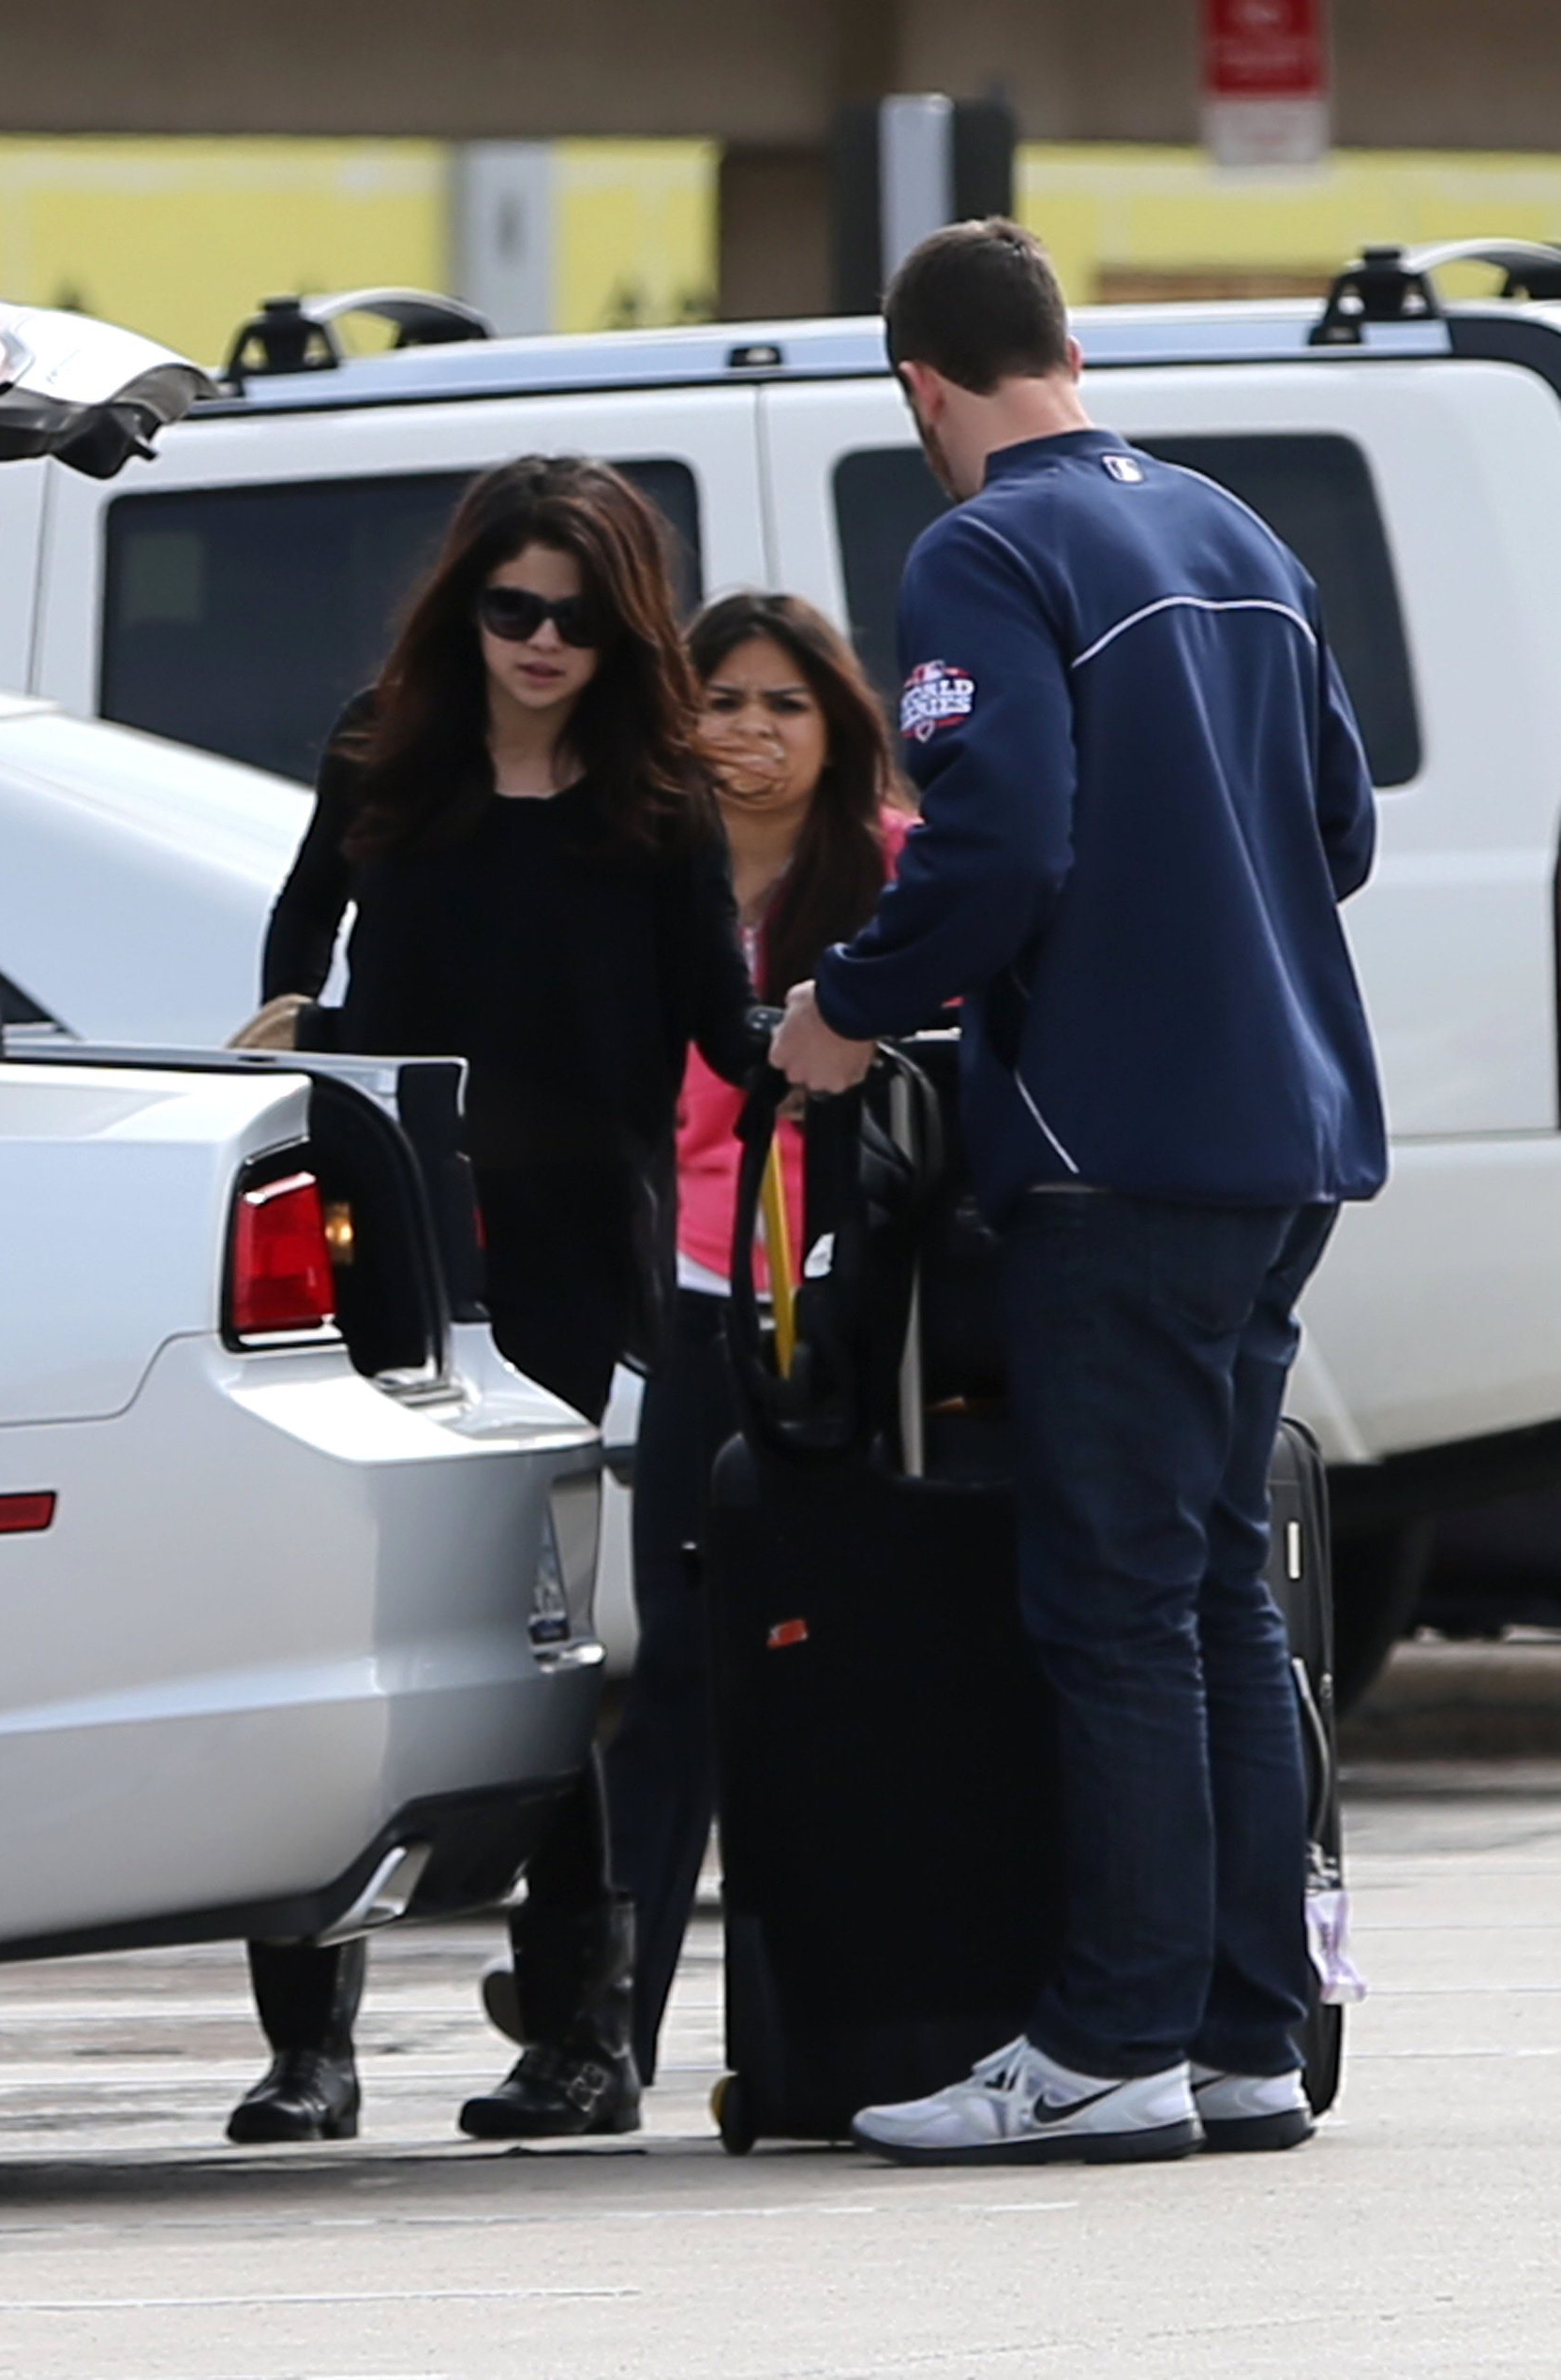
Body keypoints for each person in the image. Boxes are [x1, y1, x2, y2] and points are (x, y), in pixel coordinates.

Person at [769, 219, 1387, 2165]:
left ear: (919, 386)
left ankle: (1110, 2037)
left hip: (1118, 1151)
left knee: (1113, 1601)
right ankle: (1238, 2033)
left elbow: (998, 828)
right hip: (1286, 1140)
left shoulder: (983, 546)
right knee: (1209, 1585)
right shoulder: (1230, 531)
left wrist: (846, 1009)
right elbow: (1343, 826)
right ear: (1067, 349)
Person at [228, 455, 759, 2146]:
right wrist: (294, 1007)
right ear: (467, 606)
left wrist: (855, 1019)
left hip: (559, 1256)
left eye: (578, 618)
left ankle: (580, 2040)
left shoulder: (658, 799)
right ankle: (309, 2047)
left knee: (542, 1640)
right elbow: (302, 928)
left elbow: (720, 1029)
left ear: (625, 631)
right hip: (391, 1227)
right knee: (329, 1630)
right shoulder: (384, 750)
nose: (540, 641)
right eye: (511, 607)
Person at [587, 593, 911, 2084]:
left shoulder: (897, 874)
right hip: (691, 1297)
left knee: (837, 1659)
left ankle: (844, 2016)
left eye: (787, 704)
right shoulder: (641, 874)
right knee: (680, 1671)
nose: (752, 734)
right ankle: (607, 2026)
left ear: (837, 727)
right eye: (723, 702)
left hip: (849, 1309)